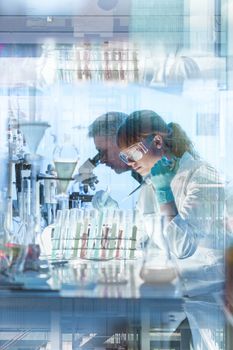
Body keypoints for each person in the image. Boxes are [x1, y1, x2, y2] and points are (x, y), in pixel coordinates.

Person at [117, 109, 226, 260]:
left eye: (134, 152)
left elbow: (182, 248)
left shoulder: (203, 175)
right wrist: (113, 216)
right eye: (125, 157)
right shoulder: (149, 185)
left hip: (207, 277)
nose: (130, 163)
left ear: (157, 141)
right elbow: (139, 236)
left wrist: (164, 194)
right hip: (172, 276)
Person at [88, 111, 143, 210]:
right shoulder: (140, 173)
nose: (102, 160)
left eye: (104, 152)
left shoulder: (160, 175)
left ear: (122, 140)